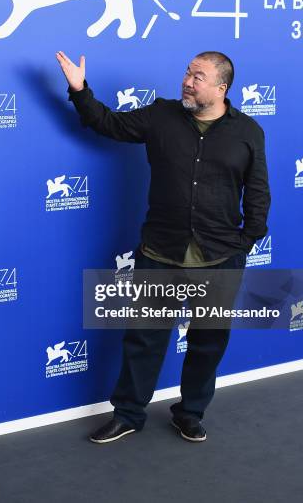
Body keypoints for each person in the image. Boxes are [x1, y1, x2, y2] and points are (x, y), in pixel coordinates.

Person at [56, 50, 271, 443]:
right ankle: (127, 414)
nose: (188, 81)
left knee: (208, 341)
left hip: (220, 257)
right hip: (159, 252)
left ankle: (190, 413)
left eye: (199, 76)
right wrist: (79, 89)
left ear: (221, 87)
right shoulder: (161, 116)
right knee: (144, 337)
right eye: (187, 72)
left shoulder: (248, 132)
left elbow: (257, 192)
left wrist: (246, 239)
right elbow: (107, 123)